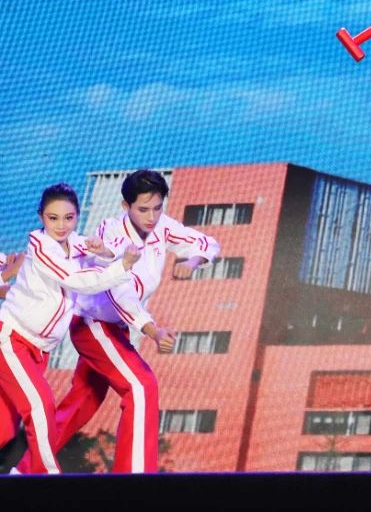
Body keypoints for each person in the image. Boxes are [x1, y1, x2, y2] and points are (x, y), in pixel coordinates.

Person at [29, 169, 220, 473]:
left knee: (84, 400)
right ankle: (134, 477)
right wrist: (153, 331)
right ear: (125, 206)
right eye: (143, 209)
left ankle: (24, 469)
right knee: (142, 386)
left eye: (157, 208)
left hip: (115, 329)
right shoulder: (111, 231)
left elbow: (207, 243)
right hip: (93, 324)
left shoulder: (162, 227)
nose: (151, 217)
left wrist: (192, 261)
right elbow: (121, 293)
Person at [0, 184, 138, 474]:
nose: (61, 225)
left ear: (76, 217)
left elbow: (106, 247)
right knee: (40, 406)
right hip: (10, 339)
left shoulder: (73, 242)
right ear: (41, 216)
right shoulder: (41, 248)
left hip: (38, 350)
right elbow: (77, 280)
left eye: (69, 217)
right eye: (53, 218)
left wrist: (105, 251)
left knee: (4, 426)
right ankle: (47, 479)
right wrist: (121, 266)